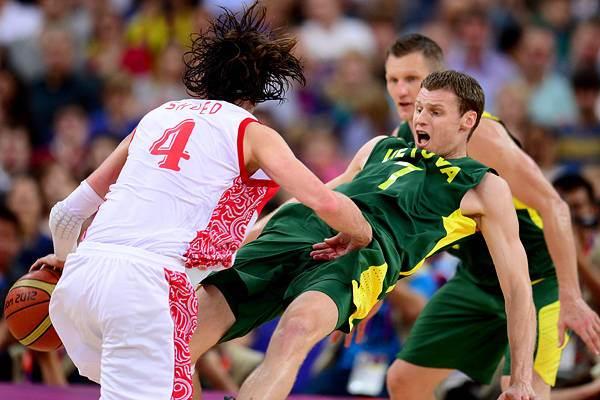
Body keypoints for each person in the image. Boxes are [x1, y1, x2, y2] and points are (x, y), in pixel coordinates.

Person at [38, 6, 371, 400]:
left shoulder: (156, 116)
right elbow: (322, 200)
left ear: (203, 79)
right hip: (146, 286)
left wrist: (64, 258)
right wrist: (361, 234)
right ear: (259, 90)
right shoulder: (252, 133)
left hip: (81, 281)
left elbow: (65, 213)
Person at [189, 70, 537, 400]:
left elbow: (518, 286)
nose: (420, 119)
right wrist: (238, 240)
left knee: (294, 332)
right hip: (299, 229)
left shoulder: (483, 186)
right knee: (181, 340)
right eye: (418, 108)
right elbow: (312, 197)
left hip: (363, 254)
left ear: (468, 121)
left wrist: (521, 378)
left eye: (435, 111)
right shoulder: (379, 147)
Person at [383, 34, 600, 400]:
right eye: (393, 80)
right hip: (477, 280)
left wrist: (571, 293)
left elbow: (555, 206)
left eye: (413, 79)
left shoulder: (481, 134)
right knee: (403, 381)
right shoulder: (401, 143)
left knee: (520, 393)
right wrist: (370, 295)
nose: (403, 91)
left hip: (537, 280)